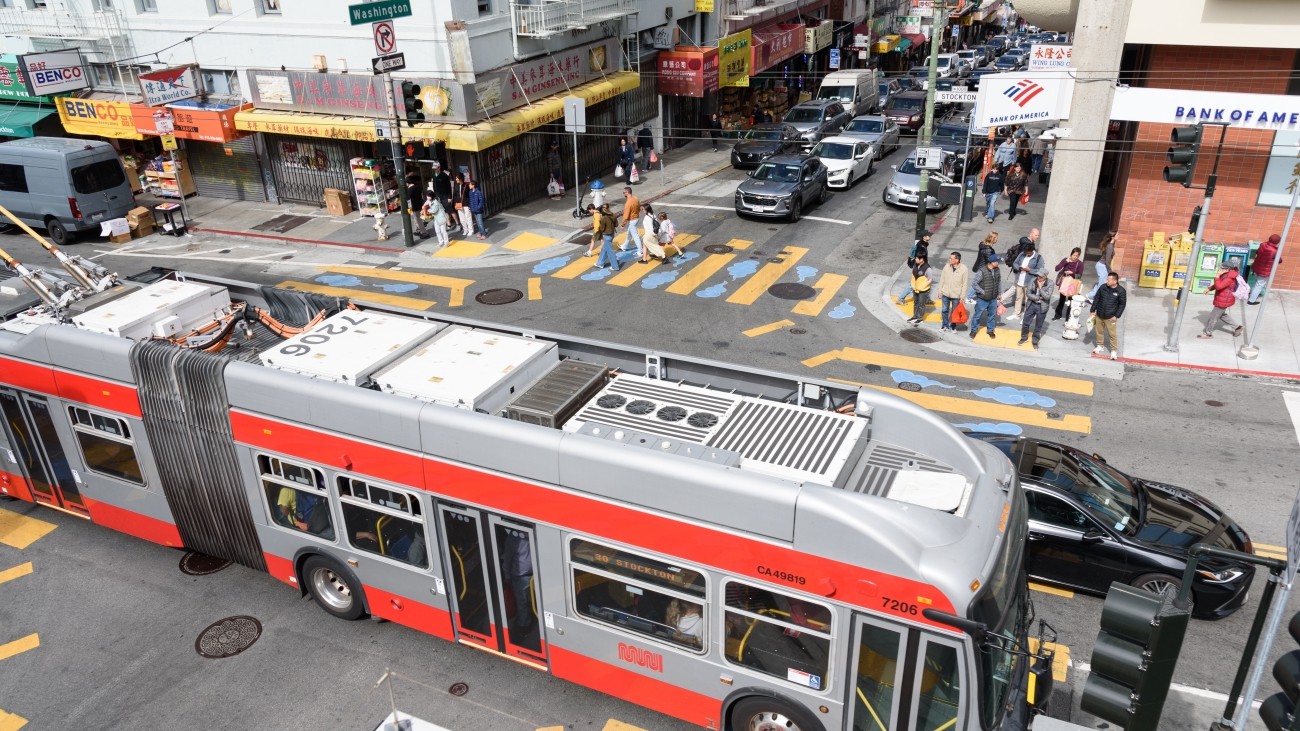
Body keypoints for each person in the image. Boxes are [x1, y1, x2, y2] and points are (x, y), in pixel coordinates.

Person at [1199, 261, 1244, 339]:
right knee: (1221, 315)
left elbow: (1219, 286)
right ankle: (1237, 328)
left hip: (1224, 300)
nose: (1220, 269)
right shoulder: (1226, 275)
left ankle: (1208, 333)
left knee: (1213, 317)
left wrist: (1217, 276)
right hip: (1222, 298)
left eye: (1222, 268)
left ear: (1227, 269)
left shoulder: (1230, 277)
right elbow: (1218, 284)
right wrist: (1209, 288)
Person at [502, 532, 534, 632]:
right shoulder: (514, 537)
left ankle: (524, 623)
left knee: (523, 602)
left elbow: (507, 559)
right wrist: (507, 575)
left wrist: (507, 575)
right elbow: (508, 558)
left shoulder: (515, 536)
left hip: (527, 574)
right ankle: (524, 624)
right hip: (521, 576)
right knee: (522, 602)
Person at [1090, 271, 1126, 359]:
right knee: (1099, 331)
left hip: (1111, 317)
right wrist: (1092, 310)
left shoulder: (1121, 291)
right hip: (1099, 314)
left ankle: (1113, 351)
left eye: (1109, 280)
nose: (1107, 281)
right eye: (1107, 279)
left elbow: (1122, 304)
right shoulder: (1103, 287)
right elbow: (1096, 299)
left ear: (1115, 281)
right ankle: (1100, 345)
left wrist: (1116, 316)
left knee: (1112, 334)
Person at [1008, 242, 1044, 320]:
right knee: (1018, 298)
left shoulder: (1038, 257)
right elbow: (1015, 263)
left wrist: (1029, 270)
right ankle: (1016, 313)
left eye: (1029, 253)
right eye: (1026, 253)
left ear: (1032, 251)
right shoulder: (1021, 254)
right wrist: (1019, 267)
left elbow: (1041, 270)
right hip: (1019, 281)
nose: (1027, 254)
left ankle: (1026, 315)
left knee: (1028, 300)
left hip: (1030, 283)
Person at [1018, 271, 1054, 349]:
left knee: (1038, 325)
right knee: (1025, 322)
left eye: (1041, 276)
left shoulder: (1050, 283)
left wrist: (1040, 289)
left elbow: (1047, 297)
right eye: (1038, 275)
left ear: (1045, 276)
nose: (1038, 278)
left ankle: (1035, 341)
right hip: (1032, 304)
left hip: (1042, 306)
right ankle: (1024, 337)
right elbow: (1028, 293)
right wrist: (1038, 297)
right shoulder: (1033, 280)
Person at [970, 255, 1002, 340]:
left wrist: (999, 293)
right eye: (997, 261)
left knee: (992, 315)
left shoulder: (997, 270)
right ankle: (974, 330)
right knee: (977, 315)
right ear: (992, 262)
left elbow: (998, 282)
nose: (999, 263)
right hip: (982, 299)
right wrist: (982, 292)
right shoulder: (982, 271)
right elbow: (974, 284)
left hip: (993, 298)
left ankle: (990, 330)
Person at [938, 251, 970, 332]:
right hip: (945, 293)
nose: (949, 260)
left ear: (957, 260)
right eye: (949, 258)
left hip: (956, 295)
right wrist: (940, 291)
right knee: (944, 310)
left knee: (954, 312)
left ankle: (953, 326)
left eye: (951, 258)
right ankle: (944, 325)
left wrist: (962, 296)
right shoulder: (946, 267)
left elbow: (964, 284)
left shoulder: (964, 269)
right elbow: (942, 279)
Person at [897, 231, 931, 304]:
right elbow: (919, 257)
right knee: (913, 284)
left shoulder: (923, 244)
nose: (929, 236)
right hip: (919, 267)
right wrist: (924, 266)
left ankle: (927, 299)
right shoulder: (920, 246)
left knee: (925, 282)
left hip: (921, 266)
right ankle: (901, 298)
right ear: (924, 237)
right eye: (928, 235)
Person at [1248, 233, 1280, 304]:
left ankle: (1252, 295)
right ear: (1277, 242)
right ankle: (1251, 301)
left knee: (1255, 283)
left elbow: (1257, 252)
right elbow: (1279, 260)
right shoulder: (1274, 251)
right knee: (1259, 285)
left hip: (1256, 267)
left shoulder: (1262, 244)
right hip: (1264, 272)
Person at [1053, 247, 1084, 320]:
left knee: (1071, 301)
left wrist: (1072, 273)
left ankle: (1068, 317)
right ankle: (1057, 315)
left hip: (1073, 284)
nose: (1075, 257)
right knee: (1062, 299)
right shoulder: (1065, 260)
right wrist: (1065, 262)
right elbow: (1056, 269)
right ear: (1071, 254)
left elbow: (1079, 277)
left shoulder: (1080, 264)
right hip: (1064, 282)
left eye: (1077, 256)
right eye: (1074, 255)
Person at [1087, 233, 1116, 302]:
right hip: (1103, 266)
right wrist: (1110, 271)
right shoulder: (1110, 246)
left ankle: (1091, 296)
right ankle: (1090, 296)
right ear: (1113, 237)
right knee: (1102, 284)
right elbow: (1107, 260)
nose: (1118, 236)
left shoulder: (1110, 245)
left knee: (1101, 282)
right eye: (1117, 235)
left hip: (1102, 265)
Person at [908, 253, 935, 324]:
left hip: (923, 290)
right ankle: (915, 316)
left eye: (917, 258)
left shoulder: (927, 268)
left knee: (921, 304)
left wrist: (924, 286)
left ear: (922, 259)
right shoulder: (915, 265)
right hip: (915, 289)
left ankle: (920, 318)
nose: (915, 259)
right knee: (915, 303)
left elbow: (930, 279)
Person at [430, 162, 454, 231]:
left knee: (449, 210)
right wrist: (434, 196)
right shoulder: (434, 175)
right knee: (442, 211)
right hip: (438, 196)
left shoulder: (444, 176)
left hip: (445, 196)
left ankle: (458, 224)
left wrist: (450, 197)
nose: (434, 170)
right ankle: (448, 224)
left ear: (439, 167)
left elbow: (449, 187)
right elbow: (434, 186)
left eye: (435, 168)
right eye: (433, 169)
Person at [595, 203, 619, 271]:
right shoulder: (613, 215)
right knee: (605, 249)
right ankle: (600, 263)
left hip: (606, 235)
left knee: (610, 252)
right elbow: (616, 224)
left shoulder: (603, 218)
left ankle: (615, 266)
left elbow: (602, 229)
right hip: (612, 234)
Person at [619, 187, 642, 256]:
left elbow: (626, 215)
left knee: (635, 236)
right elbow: (639, 207)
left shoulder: (628, 203)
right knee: (629, 233)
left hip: (632, 220)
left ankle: (640, 250)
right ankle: (624, 246)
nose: (623, 193)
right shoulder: (636, 198)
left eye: (624, 192)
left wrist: (623, 225)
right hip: (636, 217)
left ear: (627, 193)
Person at [450, 172, 473, 237]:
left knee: (468, 217)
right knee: (462, 218)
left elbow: (469, 195)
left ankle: (470, 230)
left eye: (457, 178)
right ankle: (465, 230)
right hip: (458, 204)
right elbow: (455, 196)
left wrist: (469, 204)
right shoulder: (456, 186)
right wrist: (455, 204)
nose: (456, 179)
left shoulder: (466, 185)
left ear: (461, 178)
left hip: (465, 204)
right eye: (456, 178)